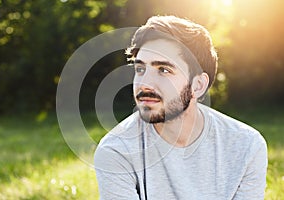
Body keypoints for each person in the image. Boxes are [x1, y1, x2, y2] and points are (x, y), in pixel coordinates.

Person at [94, 15, 267, 200]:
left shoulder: (246, 145)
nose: (145, 84)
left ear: (198, 85)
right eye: (140, 69)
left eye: (164, 70)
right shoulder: (116, 151)